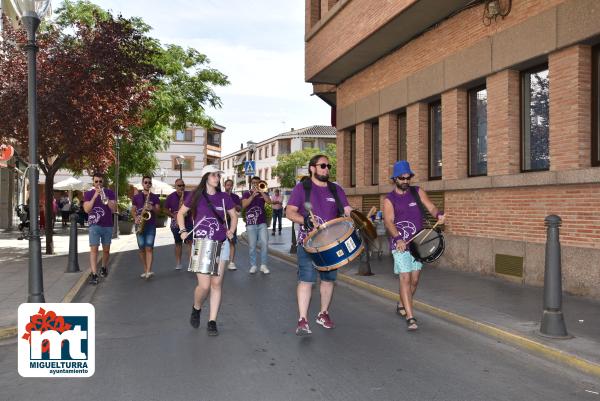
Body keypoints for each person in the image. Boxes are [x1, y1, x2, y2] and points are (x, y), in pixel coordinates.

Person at [285, 154, 352, 336]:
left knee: (328, 281)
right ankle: (302, 319)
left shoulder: (336, 190)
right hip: (307, 244)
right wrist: (303, 220)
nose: (326, 169)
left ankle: (323, 313)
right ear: (312, 168)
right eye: (323, 166)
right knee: (306, 280)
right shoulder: (302, 188)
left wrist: (356, 217)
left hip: (331, 245)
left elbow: (347, 211)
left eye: (328, 166)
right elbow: (289, 212)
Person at [383, 160, 445, 331]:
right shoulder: (389, 199)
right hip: (400, 244)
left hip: (418, 243)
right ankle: (410, 317)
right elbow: (388, 221)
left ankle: (402, 303)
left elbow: (431, 207)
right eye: (402, 178)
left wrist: (438, 214)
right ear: (395, 179)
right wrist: (398, 239)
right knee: (405, 277)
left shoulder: (417, 192)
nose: (405, 181)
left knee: (415, 280)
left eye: (407, 178)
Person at [177, 165, 237, 336]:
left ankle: (212, 321)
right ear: (205, 177)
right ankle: (196, 308)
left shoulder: (225, 197)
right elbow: (181, 214)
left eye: (218, 175)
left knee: (216, 283)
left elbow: (234, 216)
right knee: (204, 286)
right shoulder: (195, 196)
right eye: (213, 175)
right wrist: (182, 230)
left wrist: (231, 230)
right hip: (202, 243)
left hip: (221, 243)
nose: (217, 177)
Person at [83, 173, 117, 285]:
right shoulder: (88, 194)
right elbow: (87, 209)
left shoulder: (110, 193)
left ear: (103, 182)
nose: (98, 183)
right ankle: (94, 274)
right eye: (96, 181)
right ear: (93, 182)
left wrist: (106, 199)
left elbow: (113, 209)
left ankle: (103, 267)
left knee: (106, 250)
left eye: (100, 181)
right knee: (94, 250)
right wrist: (94, 197)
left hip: (107, 225)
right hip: (94, 225)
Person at [132, 175, 161, 279]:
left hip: (151, 225)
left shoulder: (155, 197)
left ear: (151, 184)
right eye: (146, 182)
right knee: (141, 248)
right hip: (139, 224)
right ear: (142, 183)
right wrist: (136, 217)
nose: (148, 184)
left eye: (149, 182)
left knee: (149, 248)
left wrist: (152, 207)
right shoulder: (136, 197)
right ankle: (145, 269)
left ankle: (148, 271)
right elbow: (133, 210)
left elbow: (158, 211)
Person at [241, 176, 272, 274]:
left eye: (257, 182)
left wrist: (261, 192)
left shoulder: (263, 192)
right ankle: (253, 265)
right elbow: (244, 205)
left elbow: (269, 202)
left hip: (262, 222)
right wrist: (253, 195)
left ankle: (263, 265)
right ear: (251, 183)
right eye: (254, 182)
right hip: (250, 224)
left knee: (264, 243)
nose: (255, 184)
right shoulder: (246, 193)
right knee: (252, 246)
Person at [165, 178, 193, 270]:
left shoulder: (189, 195)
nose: (182, 187)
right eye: (179, 186)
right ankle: (178, 263)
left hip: (188, 221)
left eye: (183, 185)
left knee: (190, 242)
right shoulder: (170, 197)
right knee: (178, 243)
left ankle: (191, 264)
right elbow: (165, 209)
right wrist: (173, 215)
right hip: (175, 223)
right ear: (175, 186)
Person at [223, 179, 241, 270]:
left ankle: (231, 262)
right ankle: (220, 261)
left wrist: (231, 202)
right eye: (227, 185)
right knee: (221, 241)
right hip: (222, 221)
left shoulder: (235, 197)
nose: (229, 187)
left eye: (231, 185)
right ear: (224, 186)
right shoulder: (220, 196)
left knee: (232, 241)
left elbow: (239, 208)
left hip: (232, 221)